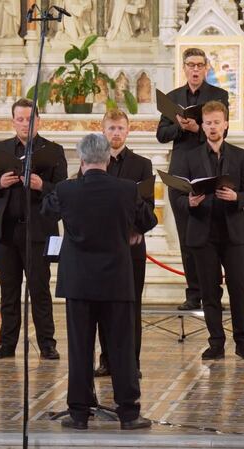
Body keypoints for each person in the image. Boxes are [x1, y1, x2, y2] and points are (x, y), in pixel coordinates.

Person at [41, 133, 156, 431]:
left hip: (78, 281)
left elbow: (46, 210)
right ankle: (129, 413)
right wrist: (133, 230)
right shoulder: (127, 189)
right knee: (121, 347)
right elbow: (149, 220)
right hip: (116, 279)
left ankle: (78, 413)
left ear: (81, 160)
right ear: (107, 158)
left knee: (80, 348)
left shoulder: (66, 190)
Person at [0, 98, 67, 360]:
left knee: (39, 289)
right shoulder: (1, 149)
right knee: (9, 290)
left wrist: (42, 186)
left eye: (30, 119)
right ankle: (7, 344)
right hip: (6, 231)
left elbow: (63, 190)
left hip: (38, 231)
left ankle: (47, 343)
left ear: (38, 121)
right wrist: (0, 183)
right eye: (20, 119)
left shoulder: (53, 150)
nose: (25, 123)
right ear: (13, 121)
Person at [170, 100, 244, 361]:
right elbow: (177, 196)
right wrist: (190, 201)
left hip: (232, 232)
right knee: (209, 289)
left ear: (226, 124)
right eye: (208, 123)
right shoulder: (189, 156)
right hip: (202, 231)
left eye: (217, 122)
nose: (213, 127)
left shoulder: (240, 155)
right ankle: (216, 342)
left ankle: (243, 342)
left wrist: (236, 197)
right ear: (203, 126)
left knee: (238, 287)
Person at [157, 47, 229, 311]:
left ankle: (213, 292)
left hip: (209, 167)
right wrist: (179, 126)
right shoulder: (172, 98)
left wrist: (198, 128)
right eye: (191, 65)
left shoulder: (219, 95)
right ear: (184, 67)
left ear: (206, 68)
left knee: (212, 233)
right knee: (187, 234)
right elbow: (161, 135)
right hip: (181, 171)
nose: (195, 69)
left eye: (200, 65)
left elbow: (224, 130)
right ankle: (193, 293)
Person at [93, 109, 155, 378]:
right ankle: (106, 360)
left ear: (128, 131)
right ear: (103, 131)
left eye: (120, 128)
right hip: (103, 248)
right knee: (104, 306)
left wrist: (136, 230)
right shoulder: (95, 163)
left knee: (131, 306)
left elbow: (147, 206)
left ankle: (131, 362)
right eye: (111, 129)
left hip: (131, 247)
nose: (116, 133)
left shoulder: (141, 165)